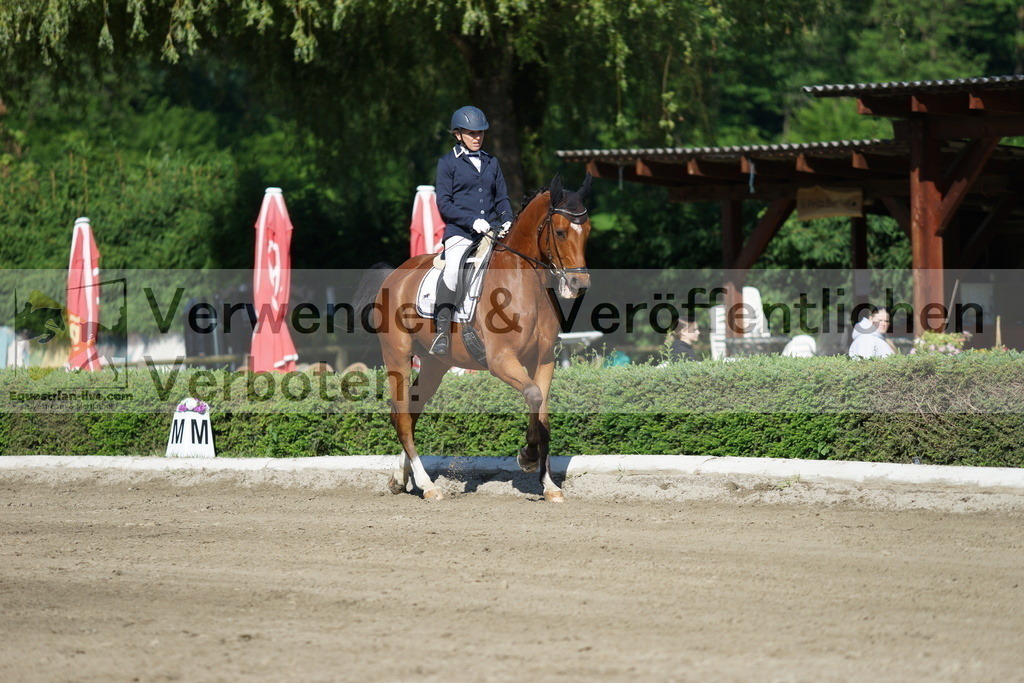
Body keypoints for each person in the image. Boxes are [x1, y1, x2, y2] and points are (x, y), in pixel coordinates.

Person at [429, 106, 514, 356]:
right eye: (471, 133)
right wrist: (471, 221)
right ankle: (442, 332)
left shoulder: (491, 161)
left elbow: (502, 198)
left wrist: (508, 219)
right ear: (458, 134)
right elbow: (444, 204)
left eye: (480, 133)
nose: (477, 137)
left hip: (491, 232)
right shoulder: (447, 163)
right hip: (460, 232)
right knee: (454, 271)